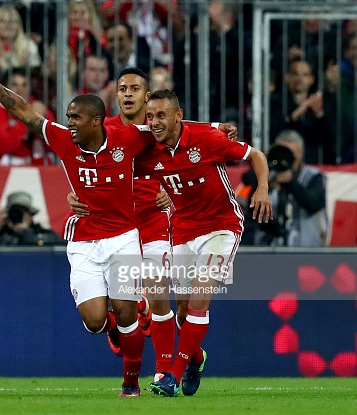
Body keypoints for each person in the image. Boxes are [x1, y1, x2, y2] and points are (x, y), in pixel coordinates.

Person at [0, 41, 157, 397]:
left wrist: (215, 128)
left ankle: (131, 385)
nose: (68, 123)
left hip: (123, 236)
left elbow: (170, 131)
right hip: (84, 240)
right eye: (68, 117)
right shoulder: (62, 140)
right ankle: (120, 320)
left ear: (97, 121)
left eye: (75, 118)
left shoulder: (128, 139)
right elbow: (22, 110)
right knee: (95, 322)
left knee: (128, 313)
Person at [67, 67, 239, 384]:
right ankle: (124, 321)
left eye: (135, 88)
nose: (128, 93)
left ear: (147, 97)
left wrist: (216, 127)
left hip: (153, 220)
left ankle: (162, 369)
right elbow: (77, 165)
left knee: (161, 297)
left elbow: (188, 134)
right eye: (122, 88)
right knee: (125, 308)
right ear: (115, 96)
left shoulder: (158, 128)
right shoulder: (101, 131)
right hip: (114, 228)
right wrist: (72, 195)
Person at [141, 89, 271, 397]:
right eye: (151, 116)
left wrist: (262, 188)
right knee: (184, 315)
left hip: (220, 228)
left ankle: (171, 375)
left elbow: (256, 155)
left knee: (200, 299)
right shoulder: (146, 147)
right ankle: (195, 359)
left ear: (178, 115)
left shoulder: (207, 140)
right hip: (183, 231)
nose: (155, 122)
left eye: (162, 115)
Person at [253, 130, 328, 247]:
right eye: (281, 152)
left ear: (301, 153)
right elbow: (252, 208)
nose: (286, 158)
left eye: (290, 152)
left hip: (307, 250)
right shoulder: (267, 177)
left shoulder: (314, 176)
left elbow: (315, 204)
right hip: (272, 250)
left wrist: (291, 183)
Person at [0, 68, 56, 165]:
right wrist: (29, 119)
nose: (20, 91)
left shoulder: (37, 108)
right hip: (2, 171)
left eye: (24, 85)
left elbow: (55, 144)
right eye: (14, 85)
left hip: (37, 170)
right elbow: (3, 146)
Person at [0, 191, 64, 246]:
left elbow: (61, 244)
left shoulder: (40, 232)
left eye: (22, 211)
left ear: (30, 215)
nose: (17, 215)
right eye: (14, 211)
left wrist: (26, 232)